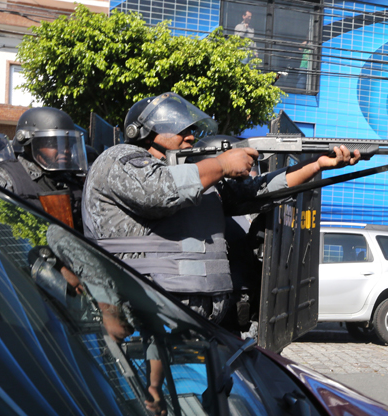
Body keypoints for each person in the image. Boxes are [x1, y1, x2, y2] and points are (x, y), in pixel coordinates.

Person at [82, 92, 361, 325]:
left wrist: (316, 165)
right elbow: (159, 192)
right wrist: (223, 164)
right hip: (140, 314)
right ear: (142, 132)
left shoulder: (194, 177)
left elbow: (255, 192)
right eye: (178, 128)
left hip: (197, 321)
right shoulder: (119, 159)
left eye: (191, 129)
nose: (189, 135)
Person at [0, 107, 88, 232]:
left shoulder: (73, 180)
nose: (65, 151)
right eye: (54, 144)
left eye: (68, 145)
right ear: (30, 145)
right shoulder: (1, 177)